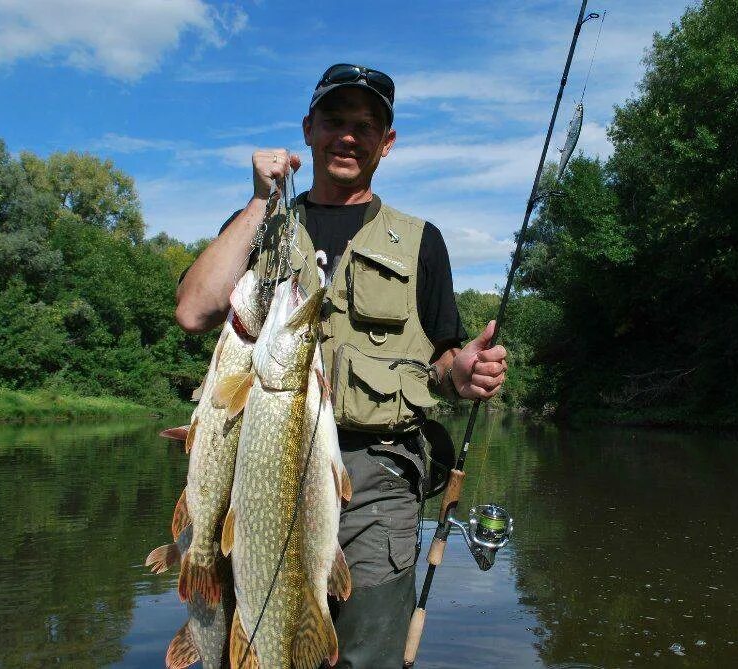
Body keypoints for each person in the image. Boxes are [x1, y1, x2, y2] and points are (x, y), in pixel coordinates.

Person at [175, 63, 508, 668]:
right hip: (259, 458)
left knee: (363, 653)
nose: (347, 136)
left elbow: (441, 357)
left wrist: (460, 372)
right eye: (334, 121)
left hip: (376, 470)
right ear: (308, 129)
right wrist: (259, 200)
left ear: (388, 142)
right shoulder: (264, 224)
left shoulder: (422, 241)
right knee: (252, 636)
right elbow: (195, 310)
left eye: (365, 125)